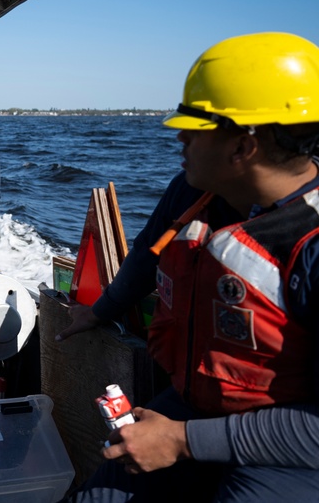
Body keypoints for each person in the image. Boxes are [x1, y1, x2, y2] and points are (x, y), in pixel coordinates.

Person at [56, 32, 319, 502]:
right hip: (198, 403)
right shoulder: (193, 189)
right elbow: (148, 254)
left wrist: (181, 440)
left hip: (288, 445)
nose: (178, 137)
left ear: (242, 148)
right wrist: (100, 311)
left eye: (194, 127)